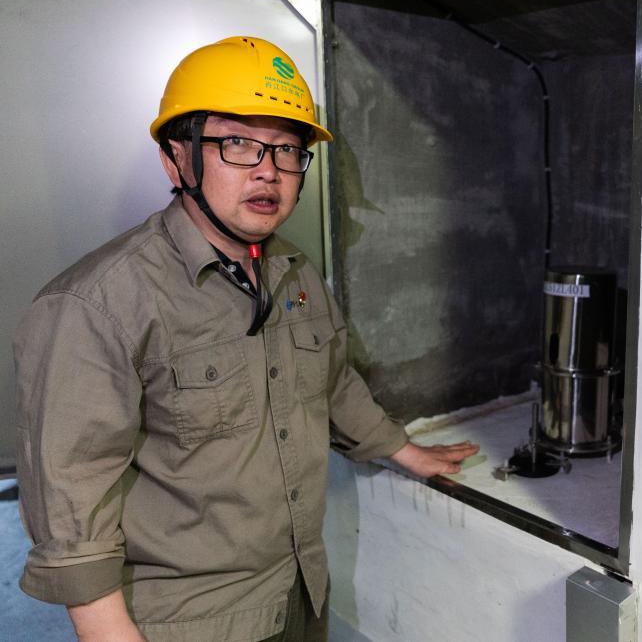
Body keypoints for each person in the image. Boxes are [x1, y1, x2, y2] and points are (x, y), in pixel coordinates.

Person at [14, 36, 478, 642]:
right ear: (176, 159)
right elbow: (71, 489)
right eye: (237, 143)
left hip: (299, 592)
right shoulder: (96, 302)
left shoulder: (293, 272)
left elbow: (332, 381)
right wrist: (107, 632)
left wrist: (401, 449)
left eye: (287, 150)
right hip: (187, 622)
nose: (269, 170)